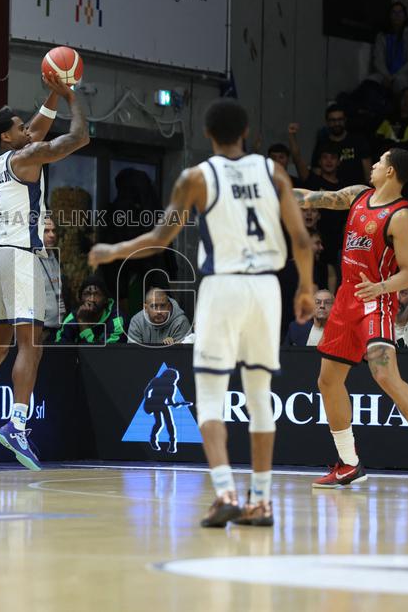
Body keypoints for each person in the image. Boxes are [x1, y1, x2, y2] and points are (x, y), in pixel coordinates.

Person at [89, 98, 315, 527]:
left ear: (208, 135)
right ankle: (262, 501)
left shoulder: (198, 176)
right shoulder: (274, 173)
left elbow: (161, 237)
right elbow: (302, 241)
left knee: (210, 394)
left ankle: (226, 491)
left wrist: (113, 249)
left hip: (224, 286)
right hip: (267, 286)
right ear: (246, 132)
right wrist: (305, 287)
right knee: (259, 395)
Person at [0, 72, 88, 474]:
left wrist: (53, 94)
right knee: (32, 346)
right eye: (20, 128)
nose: (29, 130)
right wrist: (73, 98)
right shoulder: (25, 158)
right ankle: (18, 423)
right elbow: (78, 140)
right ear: (9, 137)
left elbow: (37, 128)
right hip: (21, 257)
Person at [294, 148, 408, 494]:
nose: (373, 164)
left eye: (380, 161)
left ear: (391, 172)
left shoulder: (401, 217)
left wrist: (381, 287)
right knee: (328, 381)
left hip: (377, 302)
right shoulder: (358, 195)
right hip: (345, 302)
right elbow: (316, 198)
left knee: (384, 374)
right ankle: (349, 463)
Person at [55, 275, 126, 344]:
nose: (91, 299)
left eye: (97, 294)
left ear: (106, 299)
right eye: (87, 294)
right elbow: (60, 350)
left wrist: (83, 323)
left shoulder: (117, 321)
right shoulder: (72, 318)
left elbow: (102, 354)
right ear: (80, 298)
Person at [369, 2, 408, 93]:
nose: (397, 15)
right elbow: (378, 60)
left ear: (405, 15)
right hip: (385, 73)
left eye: (400, 12)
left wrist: (394, 76)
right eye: (394, 12)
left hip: (405, 73)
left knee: (400, 81)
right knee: (371, 81)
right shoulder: (382, 35)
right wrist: (388, 76)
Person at [37, 214, 66, 342]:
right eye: (46, 231)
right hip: (40, 330)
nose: (52, 235)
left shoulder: (54, 256)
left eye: (54, 231)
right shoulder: (30, 259)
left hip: (57, 328)